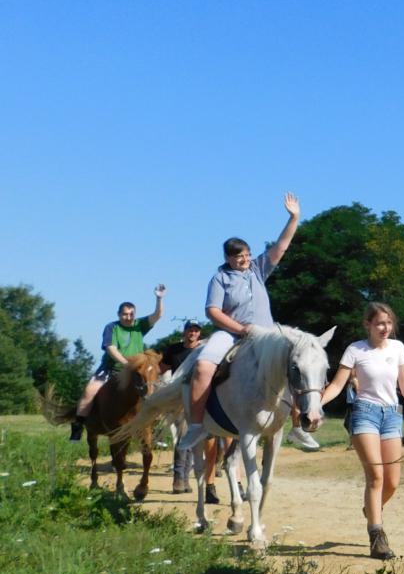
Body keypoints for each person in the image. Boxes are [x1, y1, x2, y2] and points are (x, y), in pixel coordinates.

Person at [177, 193, 315, 451]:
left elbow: (281, 246)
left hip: (267, 334)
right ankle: (196, 426)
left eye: (248, 254)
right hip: (231, 333)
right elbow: (212, 311)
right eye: (240, 256)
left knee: (299, 361)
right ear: (228, 258)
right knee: (203, 367)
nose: (245, 259)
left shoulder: (258, 269)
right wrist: (241, 329)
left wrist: (294, 218)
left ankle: (298, 427)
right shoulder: (220, 279)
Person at [319, 302, 404, 560]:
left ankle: (371, 510)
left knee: (392, 482)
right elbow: (337, 385)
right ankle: (377, 537)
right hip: (364, 413)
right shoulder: (355, 350)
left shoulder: (398, 348)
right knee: (376, 476)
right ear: (367, 324)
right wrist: (315, 404)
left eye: (388, 323)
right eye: (379, 323)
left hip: (392, 416)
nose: (385, 328)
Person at [70, 286, 166, 441]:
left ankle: (157, 430)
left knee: (156, 392)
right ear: (119, 314)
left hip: (136, 372)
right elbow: (110, 348)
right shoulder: (112, 327)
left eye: (131, 314)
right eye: (125, 314)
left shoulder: (139, 325)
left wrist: (159, 298)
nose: (128, 317)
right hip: (111, 369)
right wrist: (126, 363)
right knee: (89, 392)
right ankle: (78, 425)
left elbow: (158, 315)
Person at [159, 320, 205, 492]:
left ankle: (185, 479)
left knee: (193, 438)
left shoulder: (203, 350)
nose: (193, 333)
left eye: (196, 330)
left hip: (198, 398)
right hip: (178, 397)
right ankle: (178, 478)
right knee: (183, 435)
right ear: (184, 332)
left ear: (199, 333)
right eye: (190, 330)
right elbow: (161, 369)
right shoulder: (174, 349)